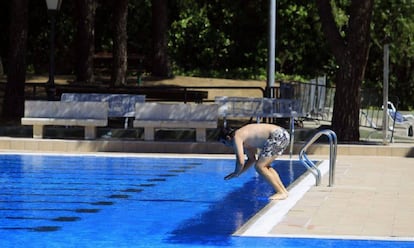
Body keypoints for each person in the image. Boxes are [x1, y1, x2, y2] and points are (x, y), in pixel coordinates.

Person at [218, 123, 290, 200]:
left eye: (224, 142)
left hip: (277, 135)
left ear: (228, 138)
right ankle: (283, 190)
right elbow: (251, 160)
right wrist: (238, 173)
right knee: (265, 166)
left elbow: (240, 161)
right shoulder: (245, 138)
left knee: (260, 167)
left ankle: (281, 192)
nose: (226, 145)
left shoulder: (237, 137)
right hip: (282, 134)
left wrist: (235, 173)